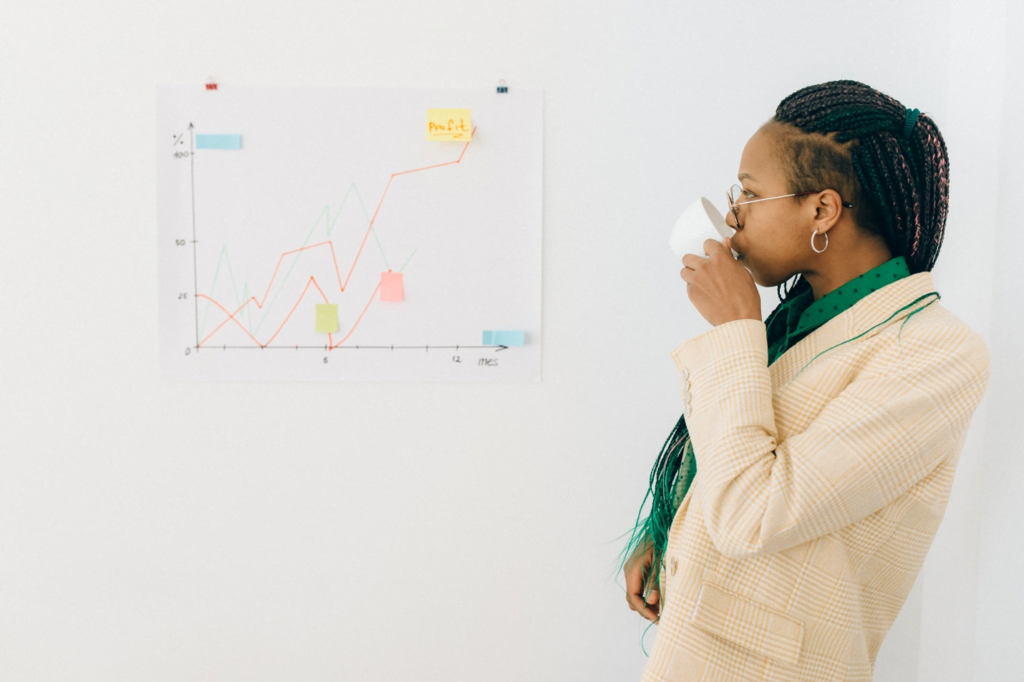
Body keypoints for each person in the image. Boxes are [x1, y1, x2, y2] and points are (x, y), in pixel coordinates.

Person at [618, 80, 991, 681]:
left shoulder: (935, 353)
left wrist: (735, 329)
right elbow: (740, 453)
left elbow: (755, 515)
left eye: (748, 193)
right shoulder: (800, 318)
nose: (731, 216)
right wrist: (674, 531)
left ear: (821, 210)